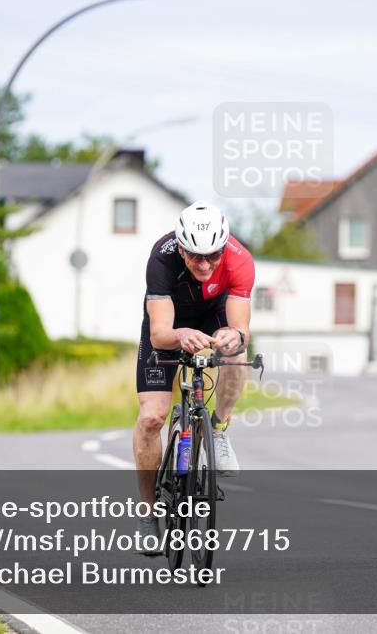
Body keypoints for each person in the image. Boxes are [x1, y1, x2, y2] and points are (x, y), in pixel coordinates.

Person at [134, 201, 254, 554]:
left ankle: (217, 429)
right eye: (195, 256)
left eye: (212, 256)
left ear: (224, 247)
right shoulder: (162, 256)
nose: (204, 265)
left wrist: (236, 337)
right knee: (151, 417)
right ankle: (147, 515)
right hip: (171, 324)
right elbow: (159, 334)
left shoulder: (240, 260)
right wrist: (181, 333)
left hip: (214, 312)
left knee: (237, 354)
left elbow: (241, 327)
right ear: (181, 247)